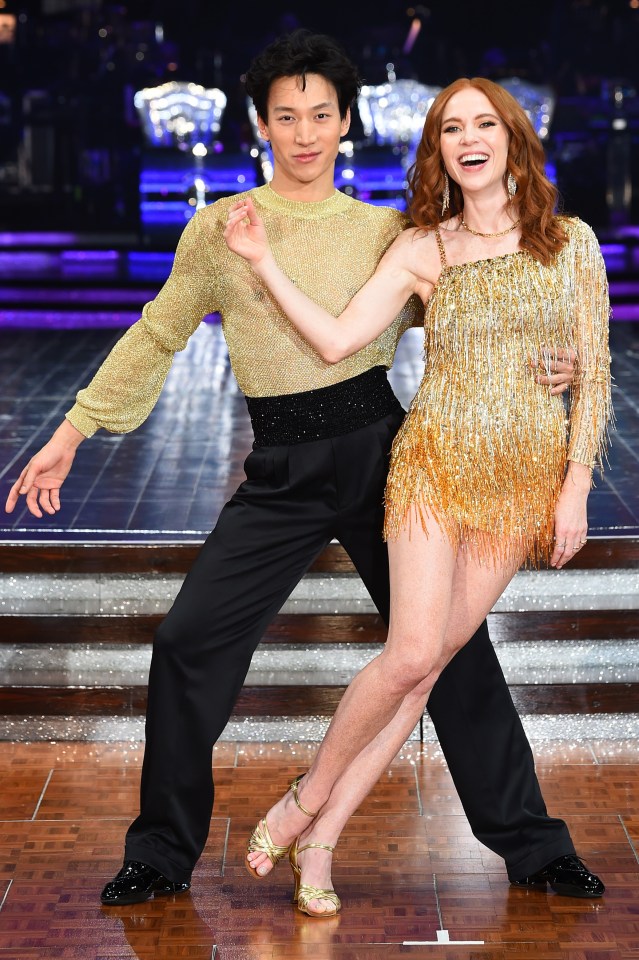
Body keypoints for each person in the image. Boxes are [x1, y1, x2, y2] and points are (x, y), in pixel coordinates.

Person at [4, 33, 596, 913]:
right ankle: (161, 854)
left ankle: (532, 845)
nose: (305, 131)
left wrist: (560, 369)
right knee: (184, 643)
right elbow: (158, 333)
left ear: (346, 123)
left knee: (446, 654)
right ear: (261, 125)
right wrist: (74, 429)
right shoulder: (221, 228)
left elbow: (482, 319)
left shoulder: (385, 230)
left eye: (322, 114)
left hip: (382, 454)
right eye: (287, 115)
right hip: (278, 469)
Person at [223, 73, 613, 915]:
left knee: (431, 666)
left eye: (483, 123)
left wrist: (574, 487)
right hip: (432, 461)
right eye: (449, 128)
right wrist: (260, 261)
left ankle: (321, 843)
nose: (468, 138)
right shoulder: (420, 248)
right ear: (437, 149)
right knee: (407, 655)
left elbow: (597, 373)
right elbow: (333, 343)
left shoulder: (569, 243)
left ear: (511, 138)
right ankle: (302, 802)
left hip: (520, 482)